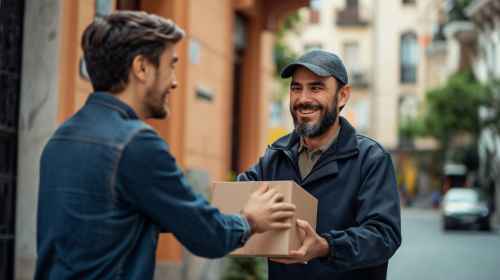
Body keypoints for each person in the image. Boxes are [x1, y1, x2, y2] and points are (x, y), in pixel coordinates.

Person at [35, 11, 296, 280]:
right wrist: (250, 220)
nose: (174, 81)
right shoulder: (136, 143)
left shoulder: (60, 137)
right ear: (142, 68)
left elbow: (107, 221)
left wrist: (196, 212)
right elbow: (209, 238)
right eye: (170, 65)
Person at [237, 50, 402, 280]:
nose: (303, 98)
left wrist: (326, 246)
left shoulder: (371, 159)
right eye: (296, 88)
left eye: (316, 88)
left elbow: (384, 236)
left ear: (342, 96)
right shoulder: (276, 155)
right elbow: (233, 200)